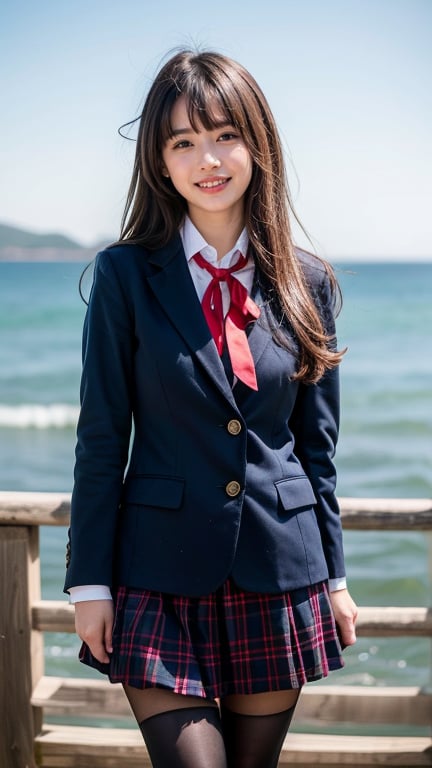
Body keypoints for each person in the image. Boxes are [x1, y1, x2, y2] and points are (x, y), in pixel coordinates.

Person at [64, 48, 358, 768]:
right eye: (183, 142)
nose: (208, 159)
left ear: (257, 143)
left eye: (224, 134)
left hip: (281, 570)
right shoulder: (125, 275)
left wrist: (339, 576)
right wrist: (88, 584)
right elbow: (103, 438)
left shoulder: (307, 282)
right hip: (156, 575)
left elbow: (316, 450)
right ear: (160, 162)